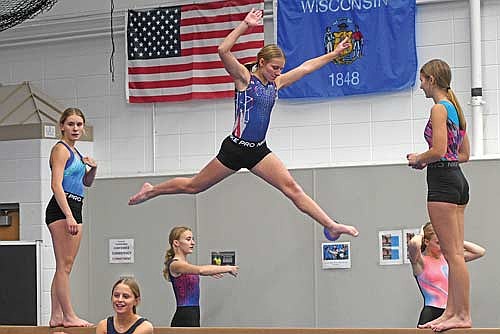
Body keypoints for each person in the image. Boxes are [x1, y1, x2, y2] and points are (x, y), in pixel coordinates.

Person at [129, 9, 359, 241]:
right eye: (274, 68)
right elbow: (222, 50)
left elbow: (306, 67)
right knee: (194, 186)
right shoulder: (244, 79)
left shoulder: (275, 84)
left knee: (292, 188)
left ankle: (332, 225)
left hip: (258, 150)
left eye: (280, 68)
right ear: (261, 62)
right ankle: (152, 190)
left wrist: (334, 53)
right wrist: (245, 25)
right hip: (235, 148)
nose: (278, 73)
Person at [407, 59, 472, 331]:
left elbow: (438, 150)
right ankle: (451, 312)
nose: (420, 85)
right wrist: (436, 158)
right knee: (452, 252)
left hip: (442, 183)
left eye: (422, 80)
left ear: (432, 80)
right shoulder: (455, 108)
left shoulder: (438, 108)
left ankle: (462, 314)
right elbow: (464, 154)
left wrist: (418, 158)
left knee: (453, 254)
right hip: (457, 179)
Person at [45, 108, 97, 328]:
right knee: (63, 266)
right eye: (71, 124)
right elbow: (56, 184)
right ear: (62, 126)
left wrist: (93, 168)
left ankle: (57, 315)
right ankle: (68, 315)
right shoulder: (61, 149)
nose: (76, 128)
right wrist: (68, 215)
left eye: (79, 125)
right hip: (62, 207)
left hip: (76, 204)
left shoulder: (76, 153)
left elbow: (86, 183)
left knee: (65, 266)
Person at [408, 222, 485, 327]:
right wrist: (421, 235)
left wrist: (452, 239)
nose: (442, 246)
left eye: (444, 242)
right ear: (426, 241)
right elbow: (414, 244)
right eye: (438, 243)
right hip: (431, 313)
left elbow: (479, 252)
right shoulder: (420, 261)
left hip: (451, 314)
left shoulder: (448, 259)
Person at [164, 226, 239, 327]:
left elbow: (200, 271)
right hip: (184, 315)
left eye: (193, 239)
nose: (193, 243)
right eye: (188, 239)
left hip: (194, 313)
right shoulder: (175, 264)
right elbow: (201, 270)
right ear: (176, 243)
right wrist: (228, 268)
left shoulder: (186, 265)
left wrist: (212, 271)